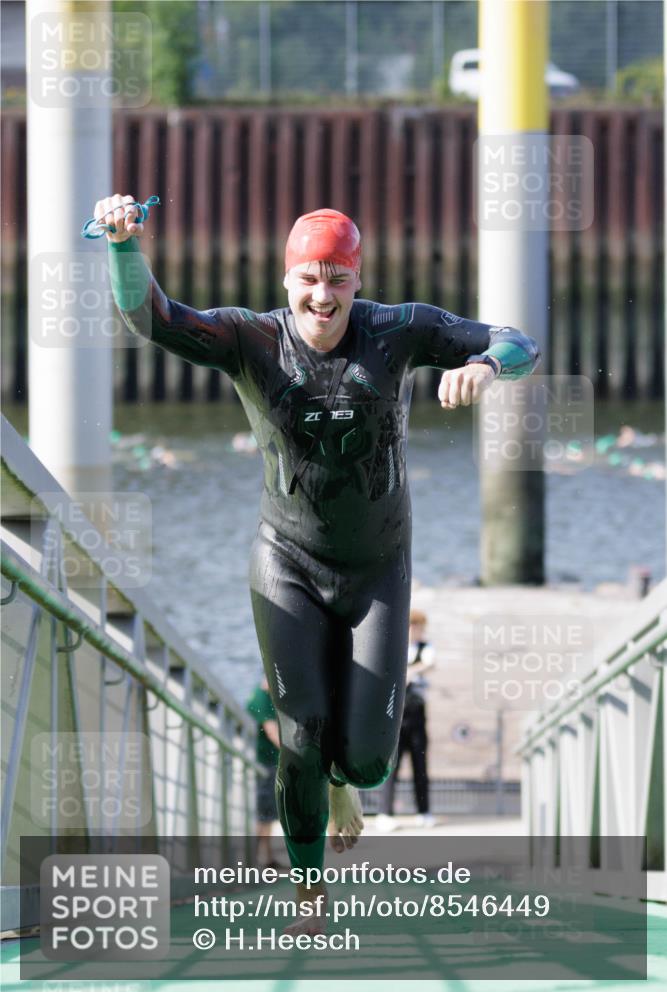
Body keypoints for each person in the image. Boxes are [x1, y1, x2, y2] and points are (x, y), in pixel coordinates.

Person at [96, 194, 540, 935]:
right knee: (299, 734)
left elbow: (518, 340)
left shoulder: (399, 331)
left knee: (365, 762)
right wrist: (119, 246)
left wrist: (488, 367)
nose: (322, 296)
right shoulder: (249, 339)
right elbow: (153, 320)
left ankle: (347, 783)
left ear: (356, 283)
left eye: (337, 279)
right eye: (308, 279)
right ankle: (309, 896)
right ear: (285, 282)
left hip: (376, 568)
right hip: (287, 559)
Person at [376, 608, 436, 830]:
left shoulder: (425, 648)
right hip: (395, 715)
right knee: (392, 764)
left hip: (416, 712)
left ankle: (424, 811)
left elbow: (430, 663)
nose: (416, 631)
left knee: (420, 763)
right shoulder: (395, 648)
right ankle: (385, 813)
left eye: (419, 628)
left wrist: (409, 672)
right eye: (413, 627)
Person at [246, 676, 282, 867]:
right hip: (264, 763)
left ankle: (266, 857)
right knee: (265, 813)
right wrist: (291, 755)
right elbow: (271, 731)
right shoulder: (262, 697)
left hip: (264, 761)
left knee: (266, 813)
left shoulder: (260, 695)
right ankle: (259, 859)